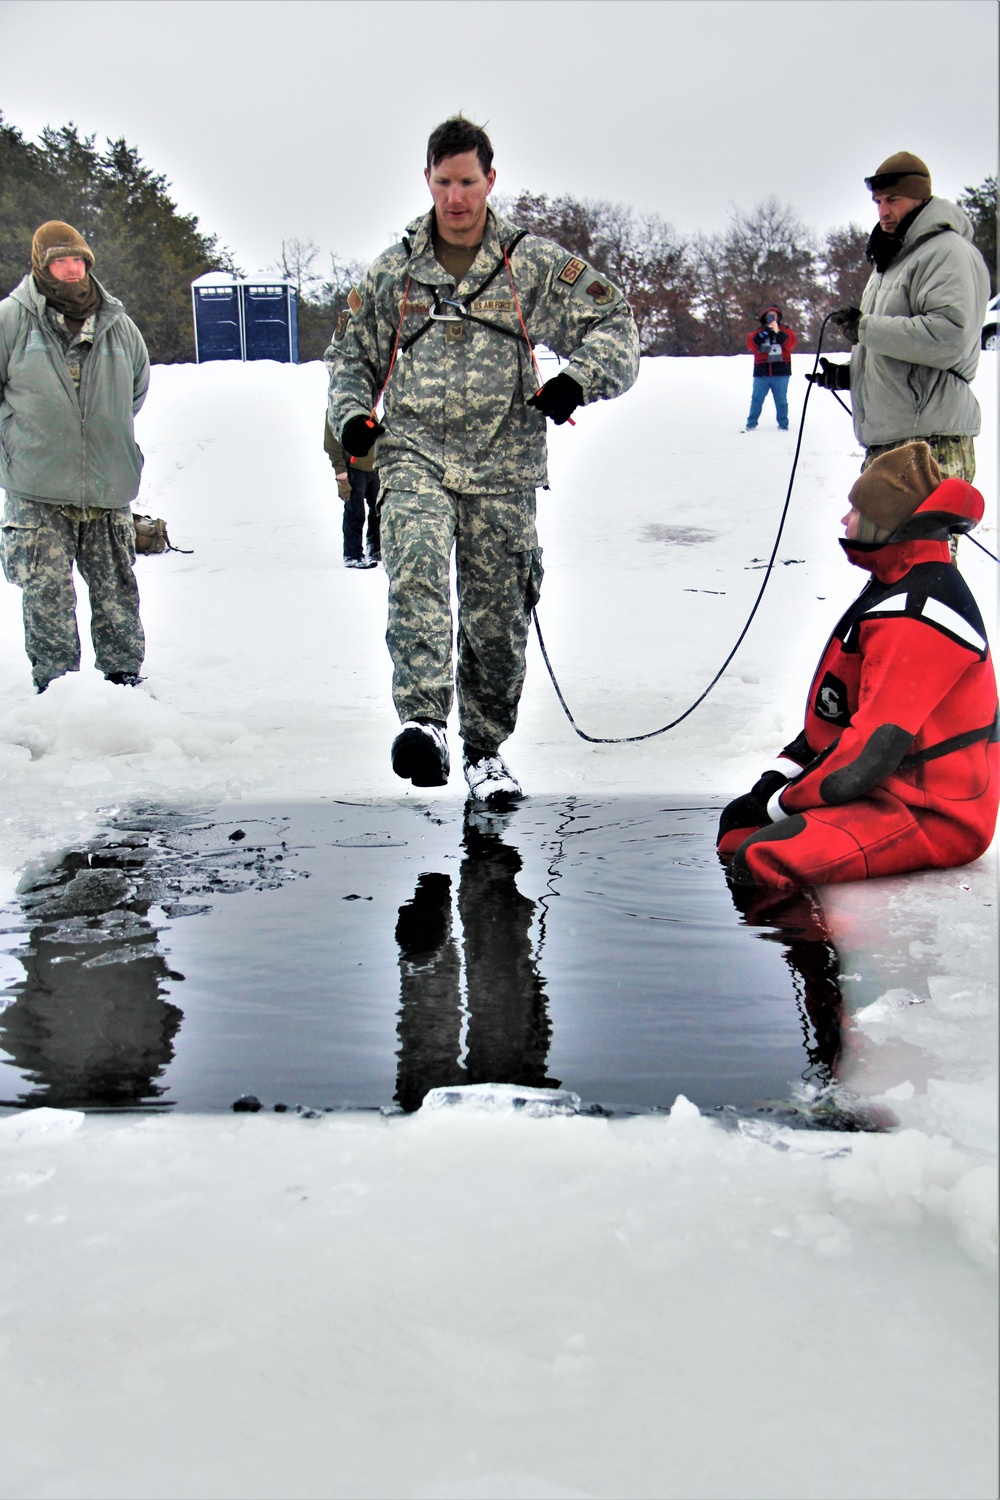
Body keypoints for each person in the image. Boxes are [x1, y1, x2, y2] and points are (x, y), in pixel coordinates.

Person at [325, 115, 639, 805]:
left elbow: (616, 325)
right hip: (414, 453)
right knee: (416, 571)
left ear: (490, 180)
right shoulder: (396, 270)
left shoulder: (530, 264)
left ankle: (486, 749)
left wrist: (575, 379)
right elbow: (350, 357)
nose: (456, 197)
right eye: (443, 183)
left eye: (468, 182)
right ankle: (425, 723)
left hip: (503, 461)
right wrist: (352, 417)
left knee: (497, 617)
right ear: (428, 181)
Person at [717, 442, 998, 892]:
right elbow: (835, 719)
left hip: (933, 813)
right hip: (883, 792)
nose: (845, 521)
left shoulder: (919, 611)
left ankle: (813, 959)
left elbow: (870, 754)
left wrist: (781, 805)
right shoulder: (895, 584)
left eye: (855, 509)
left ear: (884, 523)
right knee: (736, 829)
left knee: (762, 860)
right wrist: (774, 781)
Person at [0, 221, 150, 693]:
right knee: (45, 594)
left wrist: (97, 432)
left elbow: (136, 389)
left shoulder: (117, 324)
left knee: (116, 592)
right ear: (41, 265)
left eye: (79, 259)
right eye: (60, 260)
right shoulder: (11, 319)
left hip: (107, 483)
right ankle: (56, 688)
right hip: (36, 488)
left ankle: (124, 679)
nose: (72, 268)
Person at [808, 153, 990, 489]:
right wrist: (855, 375)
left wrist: (864, 328)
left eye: (892, 199)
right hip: (893, 443)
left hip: (929, 446)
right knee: (874, 543)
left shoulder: (946, 252)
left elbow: (947, 338)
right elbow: (904, 351)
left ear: (921, 197)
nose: (883, 211)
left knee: (917, 545)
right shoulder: (891, 260)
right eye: (877, 201)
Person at [323, 413, 380, 568]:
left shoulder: (368, 405)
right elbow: (331, 444)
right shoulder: (338, 406)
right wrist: (341, 474)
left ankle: (375, 548)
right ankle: (352, 555)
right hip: (354, 469)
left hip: (375, 468)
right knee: (355, 512)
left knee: (379, 509)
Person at [745, 305, 796, 430]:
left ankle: (783, 425)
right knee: (756, 400)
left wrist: (778, 332)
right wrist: (764, 334)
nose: (772, 317)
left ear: (779, 317)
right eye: (769, 315)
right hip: (762, 372)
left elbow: (790, 344)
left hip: (781, 372)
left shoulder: (786, 331)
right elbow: (752, 345)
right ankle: (751, 424)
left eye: (774, 315)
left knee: (781, 401)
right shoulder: (757, 332)